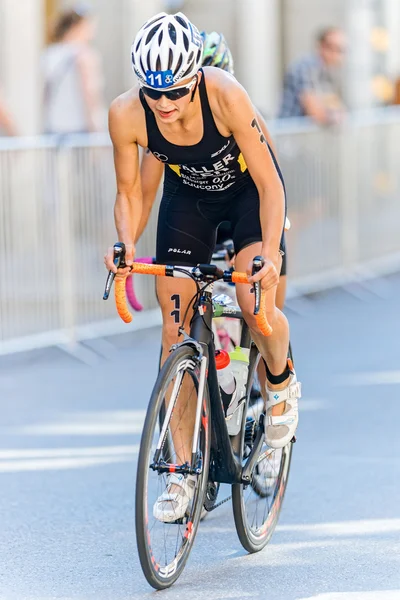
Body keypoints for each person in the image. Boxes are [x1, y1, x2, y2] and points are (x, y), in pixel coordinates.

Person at [105, 12, 301, 522]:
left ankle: (280, 384)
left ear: (196, 77)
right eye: (155, 93)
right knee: (174, 335)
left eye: (176, 92)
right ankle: (181, 474)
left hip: (245, 199)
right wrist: (124, 246)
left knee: (253, 307)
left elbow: (271, 181)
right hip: (188, 203)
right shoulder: (127, 113)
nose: (165, 104)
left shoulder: (226, 95)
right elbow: (130, 193)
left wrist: (272, 256)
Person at [136, 30, 288, 310]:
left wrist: (269, 243)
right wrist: (128, 243)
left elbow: (271, 182)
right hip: (196, 213)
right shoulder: (166, 122)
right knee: (176, 319)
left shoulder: (239, 108)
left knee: (264, 312)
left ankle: (267, 354)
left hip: (246, 209)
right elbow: (144, 194)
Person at [42, 5, 106, 134]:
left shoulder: (49, 54)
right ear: (78, 26)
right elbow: (90, 93)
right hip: (79, 129)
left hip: (53, 127)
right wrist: (97, 128)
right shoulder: (84, 55)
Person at [279, 27, 346, 125]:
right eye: (335, 48)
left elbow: (336, 106)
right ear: (322, 46)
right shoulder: (305, 67)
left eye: (342, 50)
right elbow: (316, 112)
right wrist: (335, 117)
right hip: (290, 135)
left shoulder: (327, 72)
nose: (339, 55)